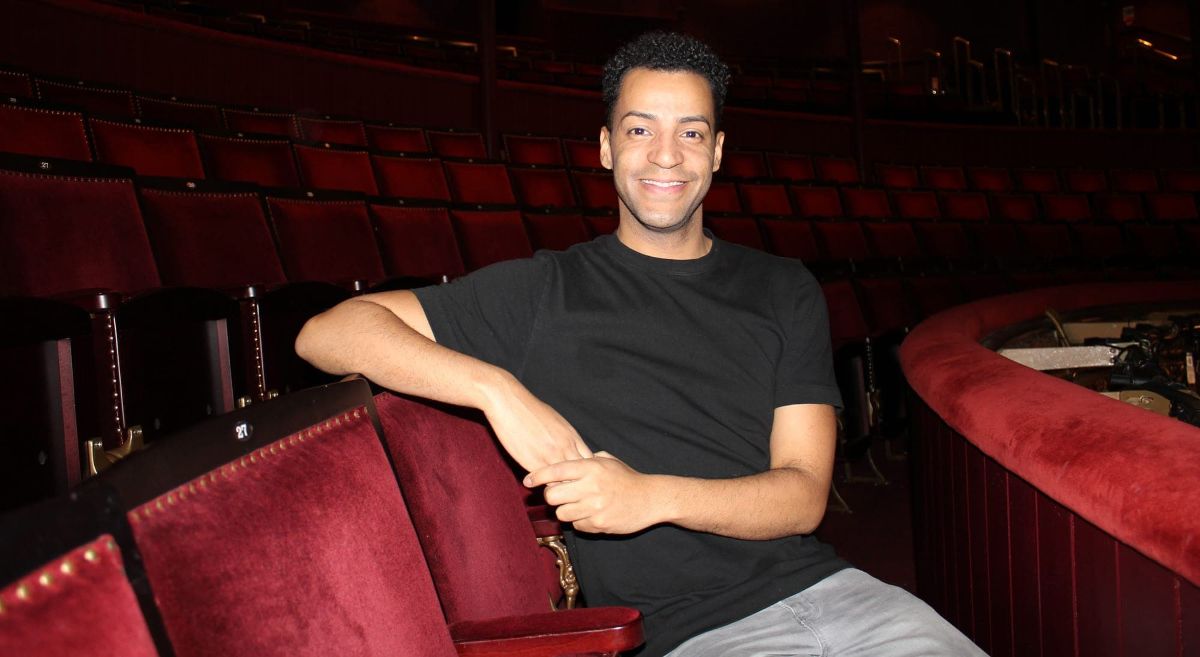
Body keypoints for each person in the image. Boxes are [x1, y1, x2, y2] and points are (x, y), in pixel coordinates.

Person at [296, 30, 985, 657]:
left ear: (716, 152)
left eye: (691, 133)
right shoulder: (546, 289)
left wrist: (649, 496)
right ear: (605, 147)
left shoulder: (782, 287)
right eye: (639, 129)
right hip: (693, 634)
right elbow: (329, 333)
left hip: (843, 595)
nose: (665, 156)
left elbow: (803, 495)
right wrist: (496, 389)